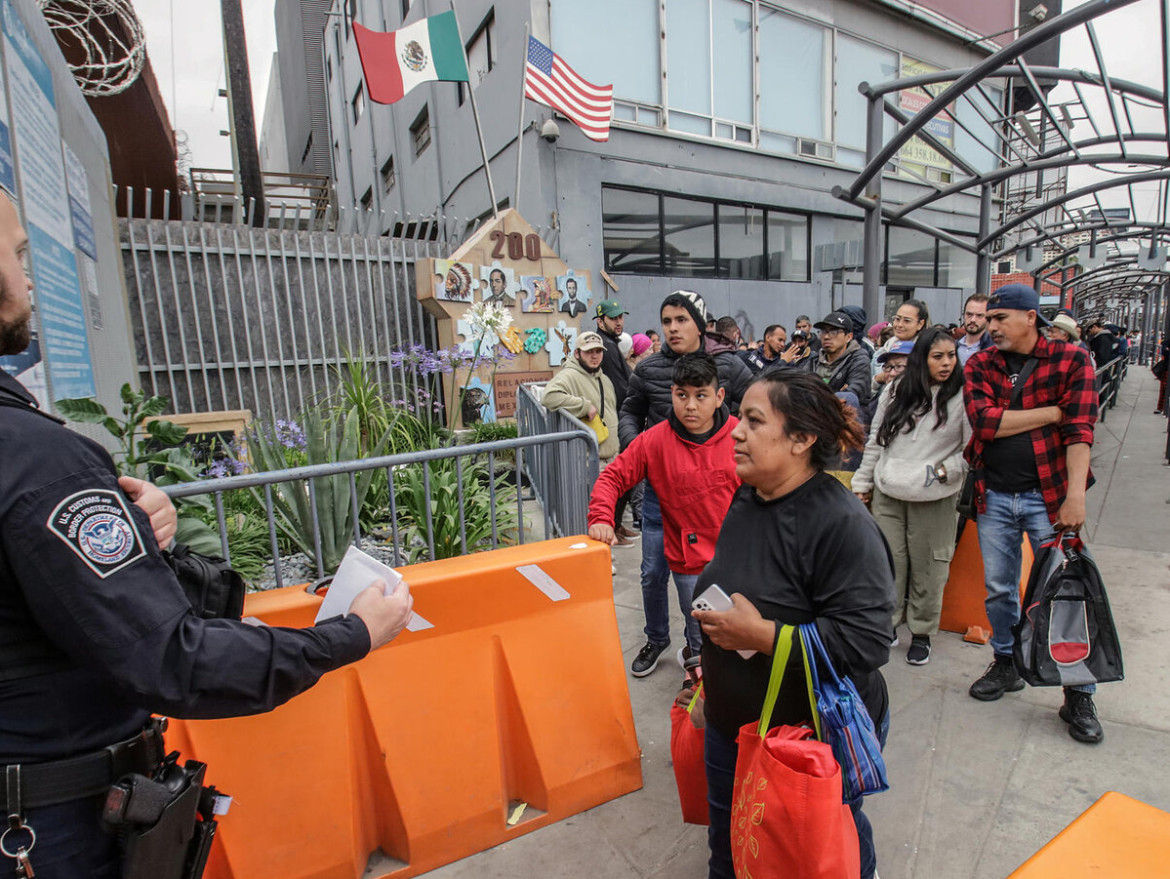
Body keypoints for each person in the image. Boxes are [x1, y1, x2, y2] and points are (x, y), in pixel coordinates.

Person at [0, 190, 415, 877]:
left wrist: (132, 531)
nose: (31, 275)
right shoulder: (36, 461)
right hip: (54, 832)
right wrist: (349, 635)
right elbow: (174, 658)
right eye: (16, 253)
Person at [692, 370, 894, 879]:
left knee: (816, 851)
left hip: (805, 739)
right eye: (739, 416)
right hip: (731, 725)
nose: (735, 430)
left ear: (802, 439)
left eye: (754, 421)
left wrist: (759, 637)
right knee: (733, 843)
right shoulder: (749, 494)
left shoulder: (843, 525)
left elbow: (866, 642)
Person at [963, 284, 1103, 743]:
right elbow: (984, 422)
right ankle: (1006, 663)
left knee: (1065, 592)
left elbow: (1081, 428)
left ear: (1030, 317)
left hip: (1051, 496)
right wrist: (1050, 413)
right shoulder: (981, 363)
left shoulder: (1073, 360)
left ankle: (1077, 690)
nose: (992, 326)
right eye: (989, 318)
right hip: (995, 496)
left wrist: (1075, 496)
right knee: (1000, 588)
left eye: (1000, 317)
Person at [619, 291, 752, 676]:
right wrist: (638, 450)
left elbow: (759, 404)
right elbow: (631, 411)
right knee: (651, 573)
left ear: (700, 323)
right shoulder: (647, 369)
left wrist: (740, 444)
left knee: (704, 582)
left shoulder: (727, 366)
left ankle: (704, 653)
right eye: (667, 321)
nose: (673, 328)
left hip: (710, 498)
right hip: (660, 495)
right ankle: (657, 637)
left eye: (681, 319)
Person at [589, 354, 738, 673]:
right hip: (689, 562)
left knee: (739, 638)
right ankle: (698, 678)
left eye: (701, 396)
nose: (691, 405)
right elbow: (612, 476)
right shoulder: (654, 441)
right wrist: (602, 517)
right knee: (701, 629)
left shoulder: (741, 437)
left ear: (719, 396)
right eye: (682, 395)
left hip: (737, 559)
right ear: (672, 393)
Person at [853, 329, 971, 665]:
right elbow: (876, 440)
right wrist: (863, 483)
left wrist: (941, 473)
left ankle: (922, 633)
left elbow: (970, 449)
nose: (947, 363)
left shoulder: (963, 395)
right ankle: (886, 625)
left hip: (936, 497)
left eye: (951, 355)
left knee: (930, 568)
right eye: (938, 356)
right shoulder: (894, 390)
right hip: (889, 493)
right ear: (922, 358)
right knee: (888, 563)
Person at [541, 331, 621, 466]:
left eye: (598, 351)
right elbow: (549, 396)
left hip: (613, 459)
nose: (594, 356)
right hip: (591, 463)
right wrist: (584, 406)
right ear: (577, 354)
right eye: (589, 351)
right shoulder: (569, 375)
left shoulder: (604, 379)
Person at [776, 311, 873, 404]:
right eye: (823, 331)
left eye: (833, 332)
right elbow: (796, 389)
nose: (826, 336)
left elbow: (851, 396)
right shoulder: (814, 360)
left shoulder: (858, 360)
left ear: (848, 337)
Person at [873, 300, 930, 391]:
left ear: (920, 324)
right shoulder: (887, 346)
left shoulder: (926, 350)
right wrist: (877, 379)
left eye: (907, 321)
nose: (899, 325)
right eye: (897, 319)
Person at [957, 293, 993, 367]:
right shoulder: (954, 347)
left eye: (979, 315)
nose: (973, 320)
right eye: (969, 314)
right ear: (964, 315)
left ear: (988, 318)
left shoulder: (994, 350)